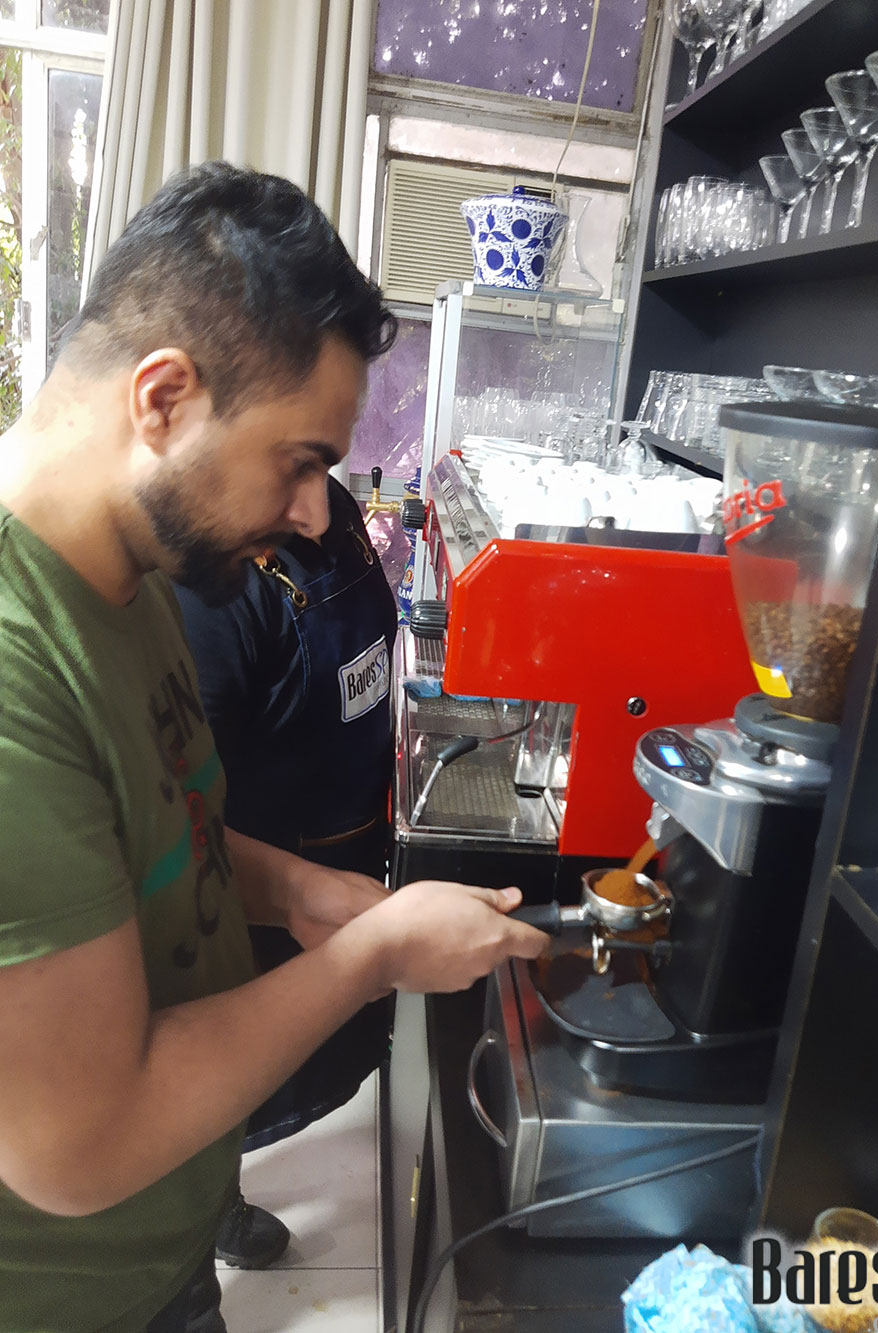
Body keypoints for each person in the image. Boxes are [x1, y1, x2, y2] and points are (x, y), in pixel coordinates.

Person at [0, 160, 547, 1333]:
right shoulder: (14, 665)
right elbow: (76, 1148)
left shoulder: (129, 570)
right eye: (298, 461)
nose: (311, 512)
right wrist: (372, 957)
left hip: (164, 1244)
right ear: (163, 397)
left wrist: (295, 888)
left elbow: (144, 820)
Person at [173, 469, 398, 1270]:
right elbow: (185, 816)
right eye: (286, 472)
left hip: (347, 843)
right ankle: (205, 1208)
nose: (312, 509)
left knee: (327, 1051)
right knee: (221, 1087)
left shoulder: (333, 511)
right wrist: (293, 891)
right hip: (255, 880)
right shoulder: (205, 593)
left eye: (319, 467)